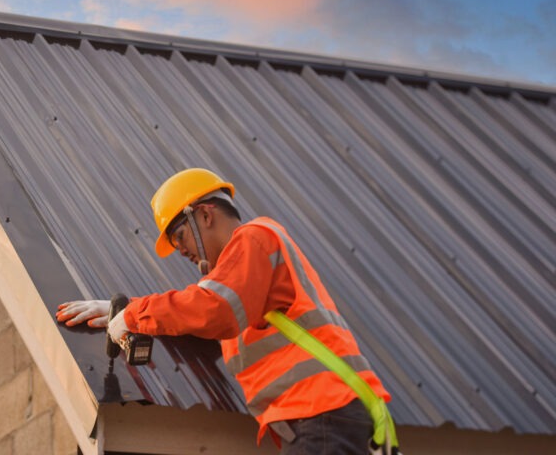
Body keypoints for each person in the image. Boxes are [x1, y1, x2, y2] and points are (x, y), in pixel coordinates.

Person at [56, 168, 391, 454]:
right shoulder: (245, 282)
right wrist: (125, 311)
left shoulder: (255, 238)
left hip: (321, 412)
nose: (180, 250)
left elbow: (211, 309)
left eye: (179, 235)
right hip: (324, 415)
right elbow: (198, 313)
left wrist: (133, 315)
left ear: (204, 214)